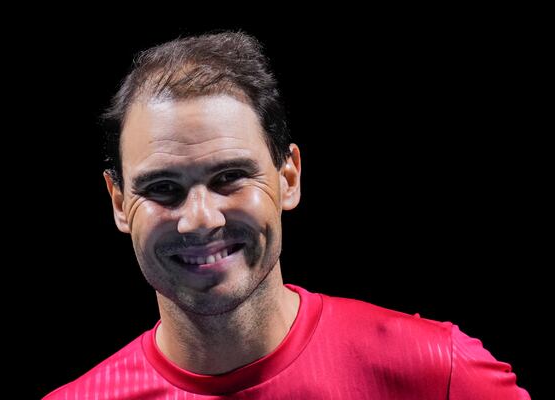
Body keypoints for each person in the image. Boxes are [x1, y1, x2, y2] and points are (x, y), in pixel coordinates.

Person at [43, 32, 530, 399]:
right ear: (118, 202)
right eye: (162, 188)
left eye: (229, 177)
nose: (199, 219)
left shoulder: (437, 371)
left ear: (288, 178)